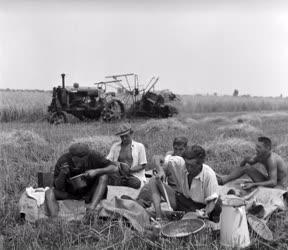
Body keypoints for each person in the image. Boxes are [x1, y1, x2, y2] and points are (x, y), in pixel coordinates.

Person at [149, 145, 221, 222]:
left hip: (200, 208)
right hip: (183, 202)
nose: (188, 168)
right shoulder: (181, 163)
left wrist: (204, 213)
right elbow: (157, 157)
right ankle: (158, 217)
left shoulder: (209, 175)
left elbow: (211, 203)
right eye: (187, 164)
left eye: (192, 166)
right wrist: (160, 170)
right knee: (154, 180)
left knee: (186, 221)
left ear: (200, 164)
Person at [45, 143, 119, 217]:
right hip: (71, 194)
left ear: (87, 157)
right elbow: (58, 187)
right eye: (76, 162)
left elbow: (114, 168)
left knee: (103, 176)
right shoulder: (63, 160)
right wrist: (62, 174)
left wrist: (96, 171)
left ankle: (91, 208)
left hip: (91, 193)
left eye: (81, 162)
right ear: (71, 157)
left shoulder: (94, 156)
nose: (78, 165)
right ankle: (54, 219)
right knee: (49, 192)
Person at [217, 136, 288, 190]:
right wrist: (245, 160)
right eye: (256, 146)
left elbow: (273, 182)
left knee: (262, 194)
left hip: (279, 185)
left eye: (259, 147)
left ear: (268, 148)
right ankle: (222, 181)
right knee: (246, 168)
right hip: (269, 180)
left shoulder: (272, 160)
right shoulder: (261, 155)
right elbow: (245, 164)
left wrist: (254, 184)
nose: (256, 149)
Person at [135, 136, 188, 207]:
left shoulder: (189, 159)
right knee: (150, 185)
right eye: (176, 149)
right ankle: (137, 203)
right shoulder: (170, 156)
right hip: (170, 189)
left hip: (180, 195)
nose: (178, 152)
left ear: (186, 148)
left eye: (181, 149)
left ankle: (138, 204)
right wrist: (160, 170)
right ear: (173, 147)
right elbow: (156, 158)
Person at [107, 123, 147, 189]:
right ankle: (120, 181)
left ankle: (120, 182)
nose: (124, 138)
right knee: (104, 176)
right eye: (122, 137)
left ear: (131, 134)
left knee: (136, 182)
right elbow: (108, 160)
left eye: (126, 136)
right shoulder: (115, 146)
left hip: (134, 175)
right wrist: (116, 163)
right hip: (119, 174)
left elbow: (143, 165)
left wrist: (130, 170)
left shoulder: (139, 146)